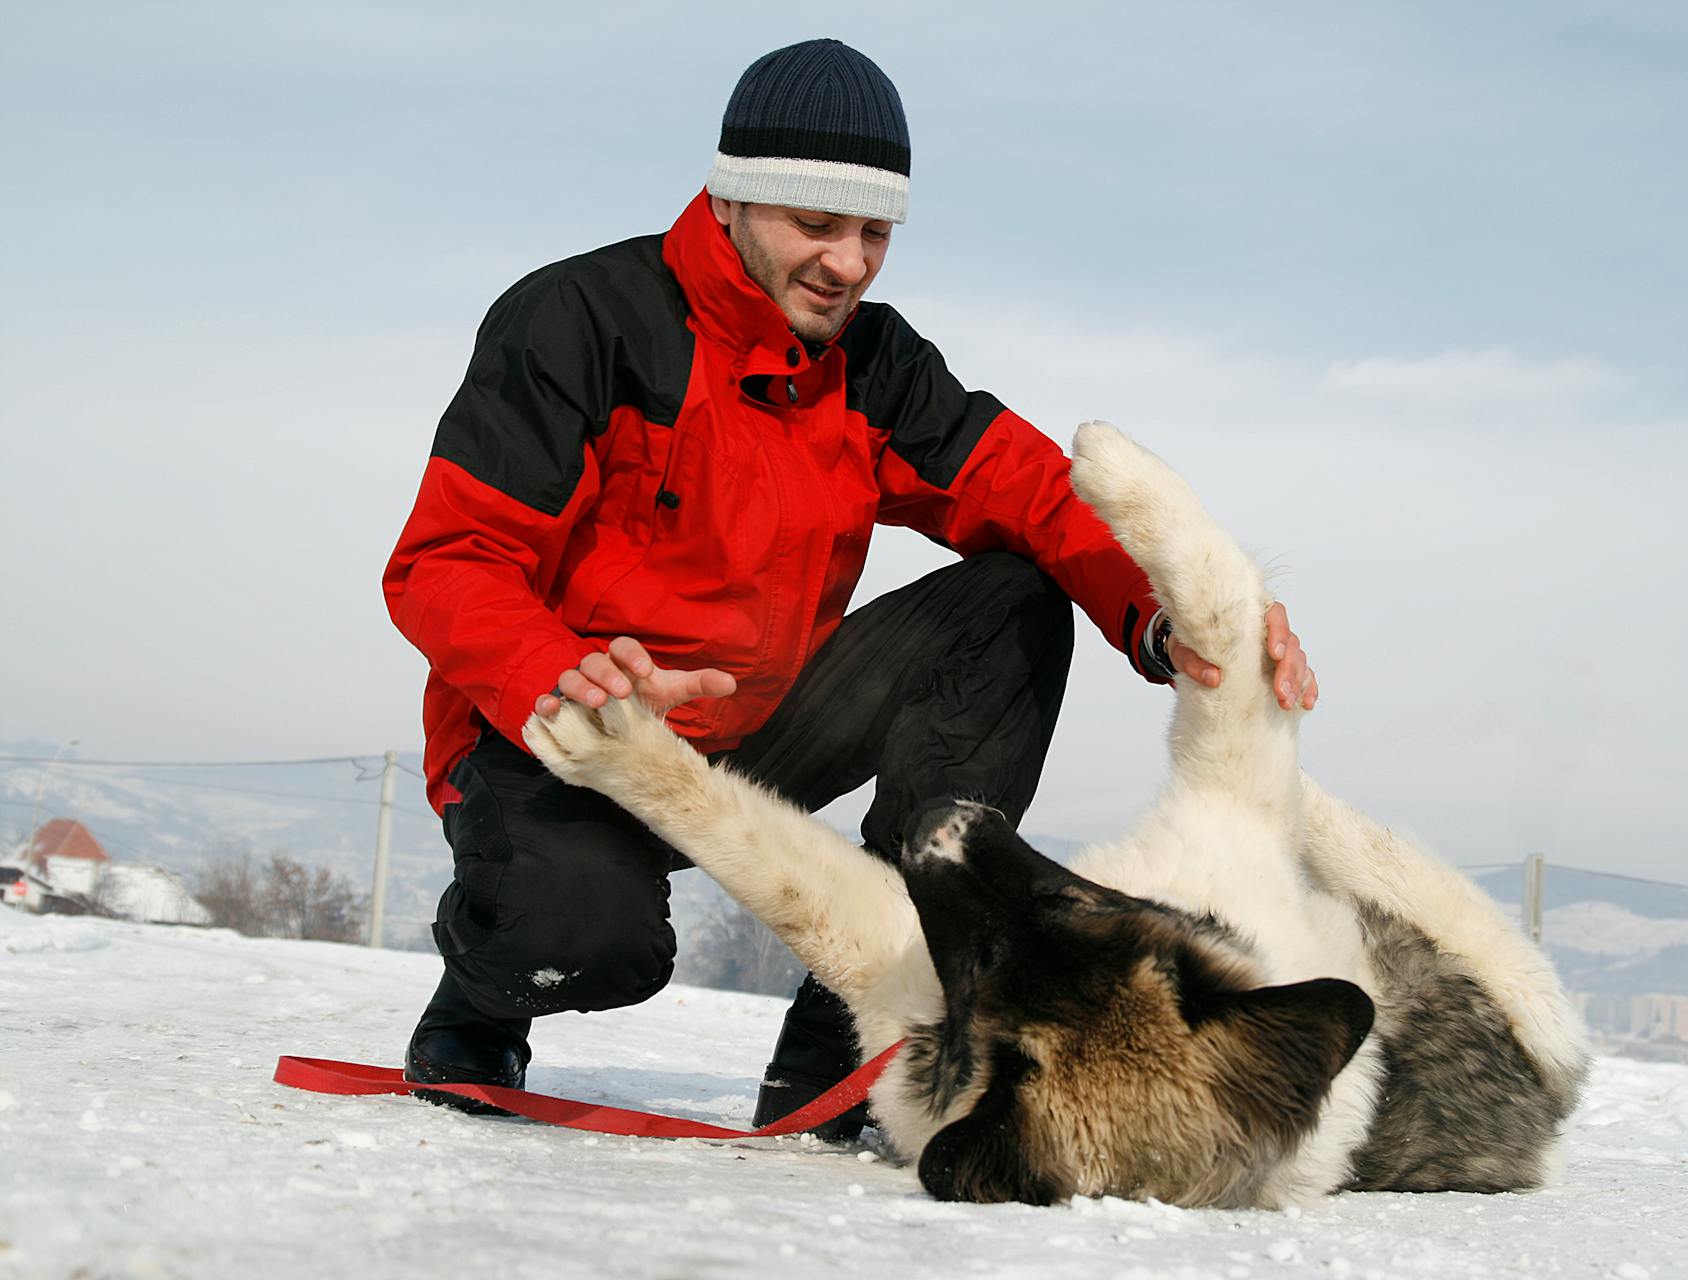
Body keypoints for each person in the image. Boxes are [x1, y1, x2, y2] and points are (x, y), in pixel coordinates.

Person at [383, 38, 1316, 1136]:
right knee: (592, 945)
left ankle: (841, 1026)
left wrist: (1178, 612)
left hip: (761, 728)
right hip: (570, 725)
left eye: (874, 232)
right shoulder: (580, 321)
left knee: (1012, 599)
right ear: (733, 197)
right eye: (815, 225)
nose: (849, 262)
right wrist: (566, 673)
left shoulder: (874, 365)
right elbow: (445, 561)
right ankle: (484, 998)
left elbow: (1033, 493)